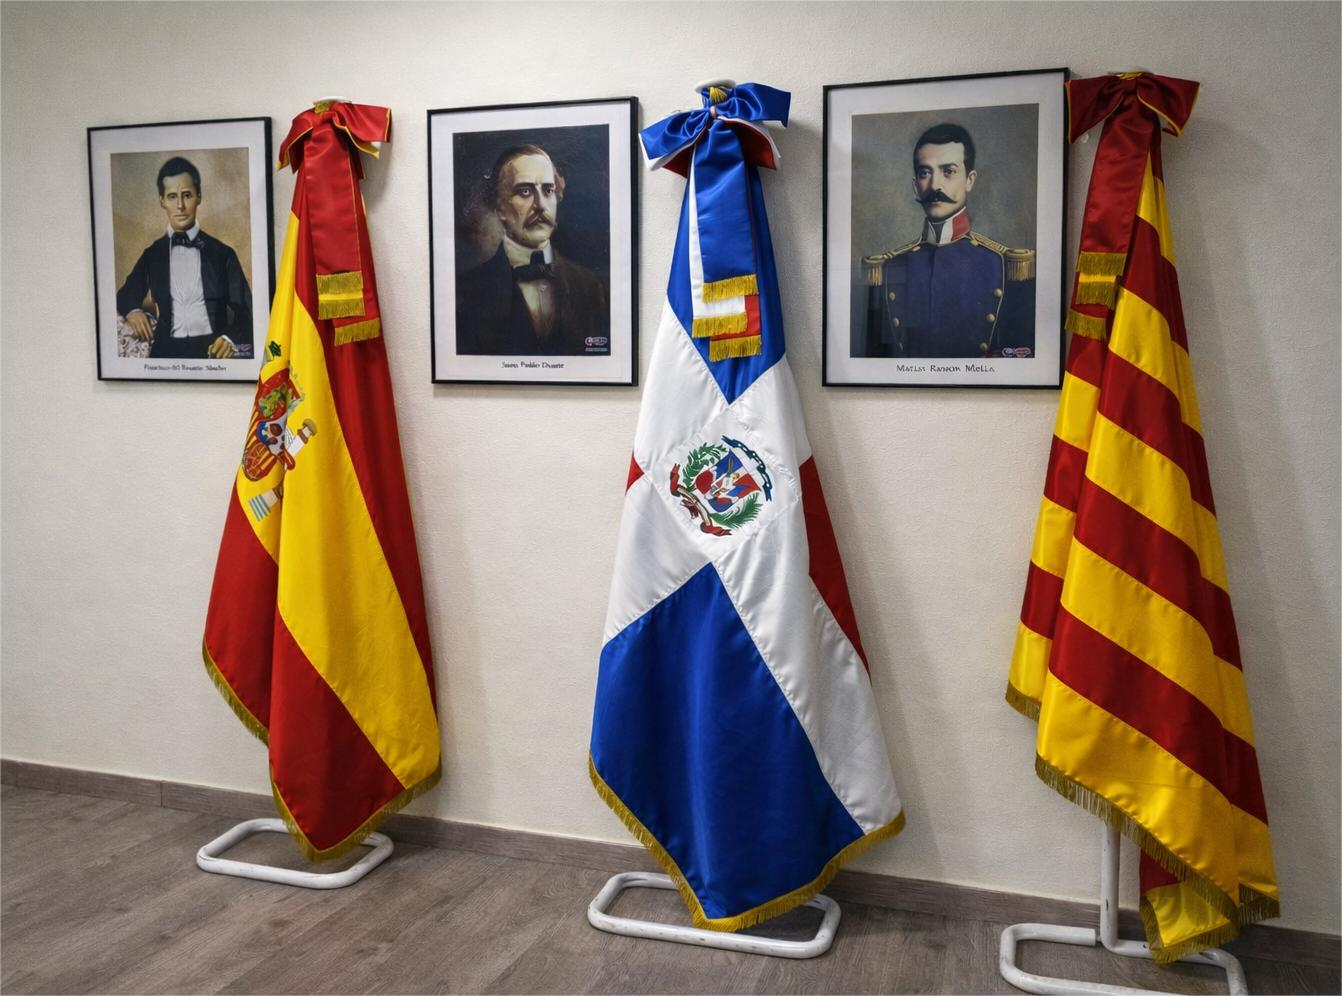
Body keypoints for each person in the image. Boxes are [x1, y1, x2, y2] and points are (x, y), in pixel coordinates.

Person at [861, 123, 1036, 359]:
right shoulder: (888, 267)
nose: (935, 185)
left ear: (970, 180)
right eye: (925, 173)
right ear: (915, 186)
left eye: (949, 171)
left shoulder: (1006, 266)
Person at [455, 144, 609, 356]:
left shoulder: (590, 287)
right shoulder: (467, 291)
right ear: (500, 208)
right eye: (525, 191)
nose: (540, 205)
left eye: (548, 190)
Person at [116, 156, 252, 360]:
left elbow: (247, 312)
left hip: (212, 357)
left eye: (187, 195)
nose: (180, 205)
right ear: (162, 201)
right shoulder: (152, 254)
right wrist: (134, 311)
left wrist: (229, 338)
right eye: (172, 197)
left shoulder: (223, 254)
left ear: (199, 197)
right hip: (164, 359)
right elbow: (125, 294)